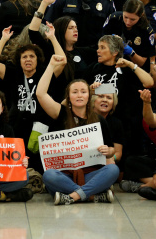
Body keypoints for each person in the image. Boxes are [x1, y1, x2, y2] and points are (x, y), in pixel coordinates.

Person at [36, 55, 119, 205]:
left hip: (90, 174)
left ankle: (72, 196)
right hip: (65, 174)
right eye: (75, 92)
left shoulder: (99, 120)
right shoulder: (60, 114)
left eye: (83, 92)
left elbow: (112, 150)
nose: (79, 95)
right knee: (49, 176)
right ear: (68, 97)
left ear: (89, 96)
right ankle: (91, 195)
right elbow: (40, 94)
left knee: (113, 170)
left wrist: (108, 151)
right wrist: (51, 65)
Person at [0, 26, 62, 173]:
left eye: (32, 56)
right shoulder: (12, 74)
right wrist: (3, 39)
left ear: (38, 59)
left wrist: (53, 38)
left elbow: (62, 61)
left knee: (40, 166)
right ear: (19, 60)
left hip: (42, 126)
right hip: (18, 125)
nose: (28, 59)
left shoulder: (44, 73)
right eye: (24, 57)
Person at [84, 35, 153, 178]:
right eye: (98, 47)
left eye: (102, 48)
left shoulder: (126, 69)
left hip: (123, 123)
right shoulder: (94, 69)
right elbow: (80, 92)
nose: (98, 51)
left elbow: (149, 82)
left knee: (122, 165)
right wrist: (90, 91)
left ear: (115, 52)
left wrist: (131, 65)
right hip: (98, 122)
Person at [29, 0, 97, 82]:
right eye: (71, 28)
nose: (75, 30)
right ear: (61, 31)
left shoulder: (84, 52)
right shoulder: (49, 51)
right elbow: (33, 32)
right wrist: (44, 4)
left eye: (76, 27)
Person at [44, 0, 115, 49]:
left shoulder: (106, 2)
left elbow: (113, 33)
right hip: (69, 50)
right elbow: (48, 24)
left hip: (96, 52)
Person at [103, 0, 156, 73]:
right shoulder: (113, 19)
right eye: (125, 17)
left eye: (132, 19)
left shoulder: (146, 31)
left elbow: (141, 63)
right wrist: (110, 41)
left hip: (134, 69)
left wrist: (130, 52)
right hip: (110, 62)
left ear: (141, 15)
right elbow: (101, 42)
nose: (128, 22)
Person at [91, 92, 124, 166]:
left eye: (109, 98)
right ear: (93, 100)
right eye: (101, 96)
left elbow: (118, 153)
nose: (105, 100)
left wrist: (112, 158)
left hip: (105, 163)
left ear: (113, 104)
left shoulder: (116, 123)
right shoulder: (83, 117)